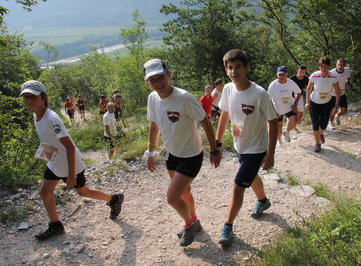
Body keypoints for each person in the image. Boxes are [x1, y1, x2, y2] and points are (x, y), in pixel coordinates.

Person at [20, 80, 124, 241]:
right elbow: (47, 141)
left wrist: (70, 175)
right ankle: (56, 225)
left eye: (32, 96)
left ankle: (114, 199)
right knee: (45, 192)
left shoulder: (51, 119)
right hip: (55, 163)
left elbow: (69, 147)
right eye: (25, 97)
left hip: (71, 164)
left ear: (43, 97)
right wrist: (46, 158)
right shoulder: (36, 115)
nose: (28, 100)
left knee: (83, 192)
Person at [143, 59, 220, 247]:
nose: (157, 82)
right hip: (172, 154)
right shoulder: (153, 98)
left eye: (160, 77)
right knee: (184, 192)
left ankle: (189, 224)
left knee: (172, 198)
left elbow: (206, 122)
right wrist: (151, 153)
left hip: (191, 154)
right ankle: (195, 221)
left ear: (169, 74)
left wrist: (214, 150)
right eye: (152, 80)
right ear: (147, 83)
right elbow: (154, 126)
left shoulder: (184, 98)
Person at [215, 49, 278, 246]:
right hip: (239, 145)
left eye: (238, 67)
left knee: (237, 187)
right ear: (226, 70)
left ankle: (228, 227)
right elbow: (224, 115)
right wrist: (217, 145)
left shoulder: (259, 93)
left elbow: (274, 122)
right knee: (250, 178)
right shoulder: (227, 89)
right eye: (230, 68)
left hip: (256, 148)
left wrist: (270, 154)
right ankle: (263, 201)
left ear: (246, 68)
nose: (234, 72)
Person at [305, 56, 340, 152]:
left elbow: (337, 92)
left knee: (324, 126)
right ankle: (317, 143)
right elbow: (308, 89)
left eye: (325, 67)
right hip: (314, 102)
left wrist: (336, 106)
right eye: (321, 67)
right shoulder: (314, 76)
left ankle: (320, 133)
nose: (323, 69)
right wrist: (307, 102)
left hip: (326, 102)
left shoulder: (333, 77)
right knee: (315, 125)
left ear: (328, 66)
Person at [268, 66, 302, 146]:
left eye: (283, 74)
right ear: (277, 75)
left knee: (295, 120)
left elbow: (299, 92)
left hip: (289, 107)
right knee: (279, 125)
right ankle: (279, 140)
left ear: (287, 74)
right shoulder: (273, 85)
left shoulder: (290, 82)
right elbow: (268, 99)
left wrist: (295, 104)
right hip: (278, 109)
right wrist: (274, 112)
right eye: (280, 75)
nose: (281, 77)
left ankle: (286, 131)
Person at [329, 58, 351, 130]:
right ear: (336, 64)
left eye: (341, 65)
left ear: (344, 65)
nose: (339, 67)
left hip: (342, 93)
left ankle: (337, 116)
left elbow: (347, 78)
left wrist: (347, 83)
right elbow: (327, 82)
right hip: (333, 94)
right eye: (338, 65)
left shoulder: (347, 70)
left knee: (344, 110)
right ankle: (331, 123)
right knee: (333, 110)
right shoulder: (332, 73)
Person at [289, 65, 309, 133]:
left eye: (303, 72)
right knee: (292, 112)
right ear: (298, 71)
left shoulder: (306, 79)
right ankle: (292, 126)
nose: (301, 74)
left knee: (300, 113)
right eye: (300, 72)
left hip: (300, 96)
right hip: (291, 96)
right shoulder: (292, 78)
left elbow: (309, 88)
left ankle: (295, 124)